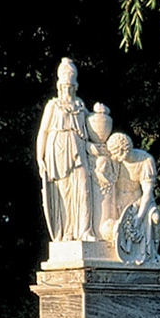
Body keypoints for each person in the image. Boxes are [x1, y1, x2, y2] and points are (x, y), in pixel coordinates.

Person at [35, 59, 105, 242]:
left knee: (83, 188)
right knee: (63, 192)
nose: (68, 89)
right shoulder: (53, 106)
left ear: (76, 86)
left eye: (71, 86)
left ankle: (84, 231)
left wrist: (100, 112)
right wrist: (40, 158)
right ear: (59, 86)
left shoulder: (80, 106)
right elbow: (43, 131)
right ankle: (67, 232)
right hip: (57, 149)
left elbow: (92, 128)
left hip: (78, 149)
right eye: (65, 86)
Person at [97, 131, 160, 265]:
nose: (115, 157)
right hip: (119, 201)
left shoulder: (146, 160)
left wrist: (139, 216)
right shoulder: (115, 162)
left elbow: (148, 193)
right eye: (113, 154)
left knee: (155, 217)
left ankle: (154, 253)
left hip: (140, 201)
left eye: (117, 153)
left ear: (124, 149)